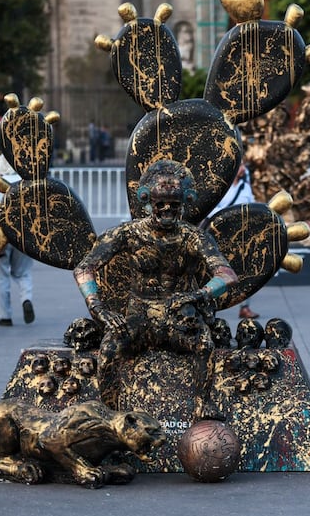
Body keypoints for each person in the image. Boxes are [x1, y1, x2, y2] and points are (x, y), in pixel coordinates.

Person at [74, 159, 239, 415]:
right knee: (107, 351)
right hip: (139, 316)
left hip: (179, 316)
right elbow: (84, 268)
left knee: (204, 345)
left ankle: (202, 401)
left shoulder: (192, 236)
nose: (166, 210)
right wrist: (98, 308)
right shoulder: (128, 234)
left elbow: (227, 274)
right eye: (160, 204)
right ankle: (107, 411)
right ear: (148, 201)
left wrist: (197, 295)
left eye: (173, 205)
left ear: (183, 204)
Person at [0, 155, 35, 327]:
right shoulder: (27, 181)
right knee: (23, 272)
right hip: (24, 235)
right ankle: (26, 298)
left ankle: (5, 316)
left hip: (1, 235)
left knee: (1, 276)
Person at [208, 162, 259, 319]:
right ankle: (211, 306)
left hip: (241, 233)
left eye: (243, 167)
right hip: (220, 233)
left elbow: (250, 205)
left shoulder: (245, 186)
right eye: (240, 166)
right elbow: (210, 208)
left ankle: (245, 307)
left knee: (246, 270)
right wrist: (228, 214)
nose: (243, 169)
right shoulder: (220, 187)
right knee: (217, 270)